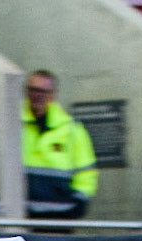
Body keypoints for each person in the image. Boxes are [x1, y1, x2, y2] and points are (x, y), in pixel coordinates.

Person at [22, 70, 97, 219]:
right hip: (22, 215)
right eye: (33, 90)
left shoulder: (71, 129)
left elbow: (86, 171)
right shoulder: (13, 125)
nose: (37, 95)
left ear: (53, 95)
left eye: (43, 91)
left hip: (61, 216)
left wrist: (79, 201)